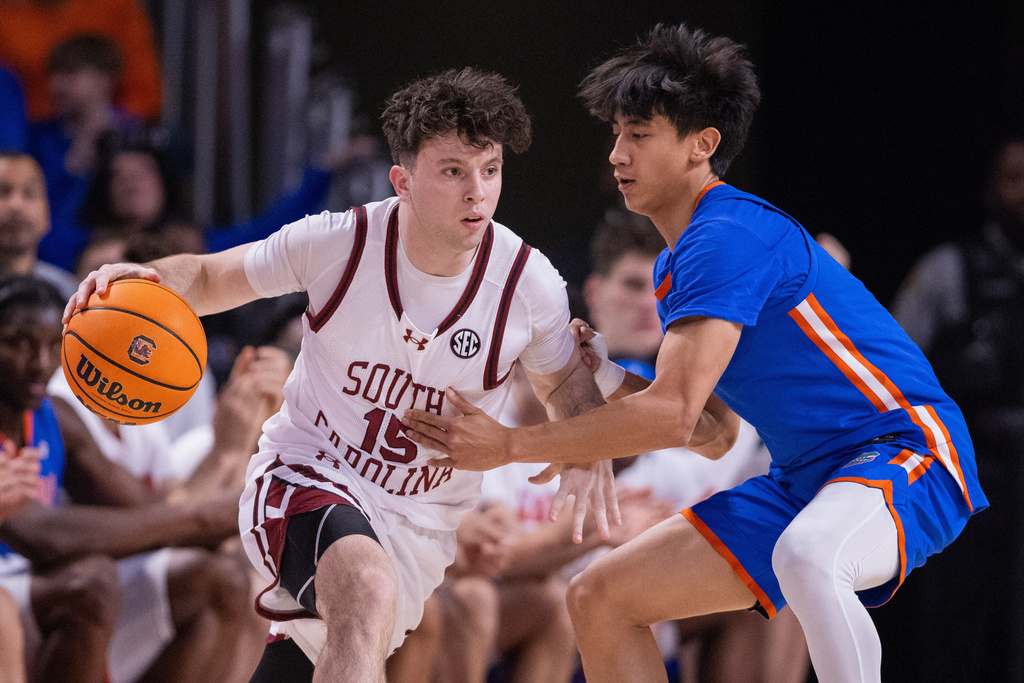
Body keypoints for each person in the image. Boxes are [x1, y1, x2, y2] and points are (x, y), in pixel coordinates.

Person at [402, 24, 987, 683]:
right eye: (616, 133)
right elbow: (713, 432)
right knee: (601, 596)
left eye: (639, 134)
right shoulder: (675, 266)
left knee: (810, 555)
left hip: (907, 450)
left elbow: (674, 416)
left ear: (702, 145)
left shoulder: (729, 233)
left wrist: (508, 446)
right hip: (806, 481)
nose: (617, 152)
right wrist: (599, 369)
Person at [65, 67, 618, 682]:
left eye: (489, 170)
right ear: (402, 181)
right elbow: (213, 276)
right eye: (453, 171)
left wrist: (584, 444)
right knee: (365, 588)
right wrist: (148, 280)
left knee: (319, 654)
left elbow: (566, 381)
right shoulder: (339, 244)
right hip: (308, 470)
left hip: (420, 519)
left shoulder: (527, 282)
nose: (477, 193)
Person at [0, 274, 249, 682]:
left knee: (222, 578)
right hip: (18, 588)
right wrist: (205, 517)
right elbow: (44, 536)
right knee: (90, 580)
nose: (40, 364)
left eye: (50, 345)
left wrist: (220, 493)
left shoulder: (55, 415)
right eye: (19, 344)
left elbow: (142, 509)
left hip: (36, 588)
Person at [886, 138, 1024, 682]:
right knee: (955, 638)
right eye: (1015, 178)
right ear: (992, 189)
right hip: (968, 482)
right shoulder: (949, 270)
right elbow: (891, 370)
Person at [0, 0, 162, 122]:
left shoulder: (114, 7)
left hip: (105, 138)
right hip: (24, 137)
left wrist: (107, 129)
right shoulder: (8, 13)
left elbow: (145, 96)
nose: (58, 83)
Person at [0, 150, 79, 298]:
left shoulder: (70, 294)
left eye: (29, 193)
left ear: (47, 215)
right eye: (3, 192)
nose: (16, 205)